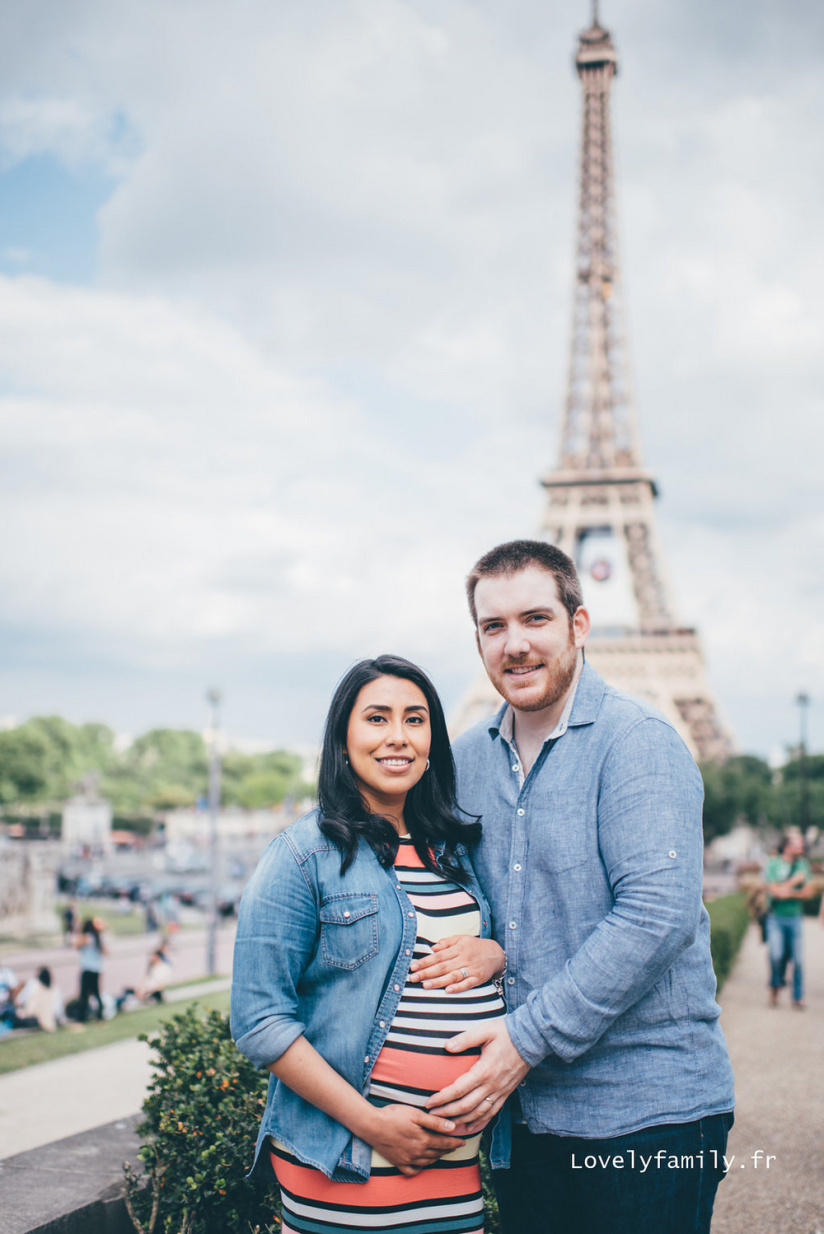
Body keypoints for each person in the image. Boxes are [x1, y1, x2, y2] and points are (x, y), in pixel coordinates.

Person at [415, 540, 735, 1234]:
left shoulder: (639, 741)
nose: (515, 644)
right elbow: (457, 899)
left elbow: (656, 915)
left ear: (578, 625)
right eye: (494, 626)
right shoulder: (464, 762)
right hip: (526, 1119)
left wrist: (523, 1040)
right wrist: (490, 947)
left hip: (647, 1115)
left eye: (535, 618)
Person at [231, 655, 508, 1234]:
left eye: (415, 719)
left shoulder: (452, 851)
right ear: (343, 737)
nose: (398, 736)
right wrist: (373, 1124)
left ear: (432, 740)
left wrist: (495, 954)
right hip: (348, 1166)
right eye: (377, 718)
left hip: (455, 1173)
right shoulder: (301, 855)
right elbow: (259, 1021)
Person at [764, 832, 810, 1008]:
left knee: (798, 960)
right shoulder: (773, 863)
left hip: (795, 917)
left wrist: (785, 891)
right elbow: (774, 892)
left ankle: (798, 997)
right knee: (776, 955)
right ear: (788, 846)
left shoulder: (802, 864)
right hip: (775, 917)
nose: (802, 846)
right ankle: (775, 985)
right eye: (798, 843)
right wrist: (794, 882)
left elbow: (807, 893)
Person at [8, 967, 64, 1032]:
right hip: (52, 1019)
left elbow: (19, 1000)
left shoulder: (33, 984)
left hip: (34, 1019)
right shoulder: (55, 988)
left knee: (9, 1010)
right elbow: (58, 1010)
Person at [75, 917, 107, 1022]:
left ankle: (82, 1016)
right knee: (96, 992)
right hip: (97, 968)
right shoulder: (98, 937)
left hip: (87, 968)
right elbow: (105, 951)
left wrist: (78, 932)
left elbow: (76, 945)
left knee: (84, 993)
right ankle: (100, 1013)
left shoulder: (86, 937)